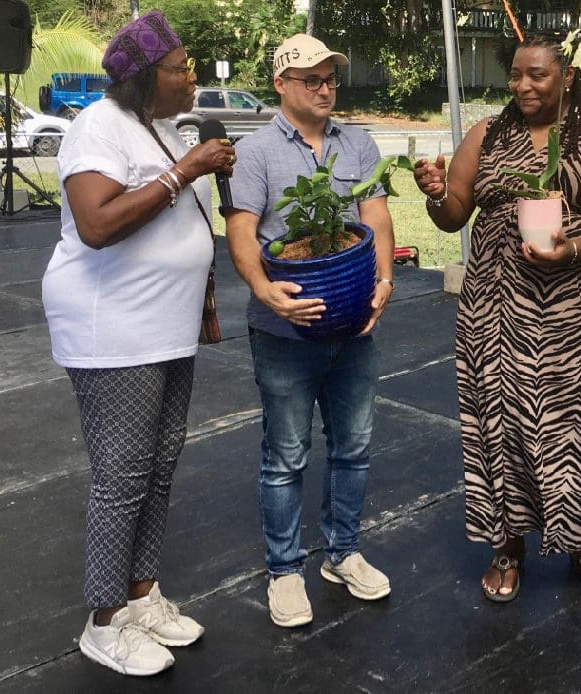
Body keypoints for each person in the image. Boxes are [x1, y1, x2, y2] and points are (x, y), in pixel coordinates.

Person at [412, 34, 581, 602]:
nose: (523, 86)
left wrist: (574, 248)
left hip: (572, 315)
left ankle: (578, 537)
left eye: (537, 75)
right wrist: (437, 193)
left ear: (565, 76)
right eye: (516, 75)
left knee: (572, 430)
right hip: (493, 313)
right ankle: (509, 542)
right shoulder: (487, 134)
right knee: (502, 427)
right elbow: (451, 218)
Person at [41, 10, 235, 676]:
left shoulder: (152, 127)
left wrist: (191, 165)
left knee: (157, 466)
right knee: (123, 477)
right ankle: (103, 620)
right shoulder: (98, 125)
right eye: (182, 68)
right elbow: (97, 223)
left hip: (164, 328)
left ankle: (141, 593)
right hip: (112, 329)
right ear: (148, 77)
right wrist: (185, 171)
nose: (193, 78)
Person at [225, 33, 395, 628]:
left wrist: (383, 281)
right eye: (311, 80)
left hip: (352, 326)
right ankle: (285, 571)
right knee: (286, 455)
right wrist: (262, 288)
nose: (325, 89)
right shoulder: (255, 153)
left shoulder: (359, 143)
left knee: (353, 446)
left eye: (330, 79)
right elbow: (243, 230)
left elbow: (375, 217)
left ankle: (342, 553)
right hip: (284, 330)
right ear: (281, 85)